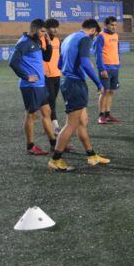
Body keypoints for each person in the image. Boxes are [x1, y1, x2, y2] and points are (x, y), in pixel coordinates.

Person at [49, 19, 109, 171]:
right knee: (71, 124)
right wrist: (99, 83)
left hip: (68, 81)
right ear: (94, 30)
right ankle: (55, 160)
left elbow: (59, 64)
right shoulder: (84, 39)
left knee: (82, 121)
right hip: (75, 84)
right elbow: (84, 62)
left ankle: (91, 155)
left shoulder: (69, 38)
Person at [9, 18, 58, 156]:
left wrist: (48, 42)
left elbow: (47, 57)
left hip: (40, 85)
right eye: (42, 31)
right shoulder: (24, 42)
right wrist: (26, 76)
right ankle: (30, 146)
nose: (44, 34)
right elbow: (13, 62)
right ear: (34, 29)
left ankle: (54, 144)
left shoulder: (36, 41)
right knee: (32, 115)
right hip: (30, 86)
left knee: (47, 112)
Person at [93, 16, 122, 124]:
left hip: (115, 67)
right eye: (112, 25)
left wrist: (118, 61)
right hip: (105, 68)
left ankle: (107, 114)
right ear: (105, 25)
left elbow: (117, 49)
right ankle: (101, 115)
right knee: (104, 91)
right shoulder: (100, 36)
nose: (114, 27)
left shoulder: (116, 35)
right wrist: (101, 69)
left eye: (115, 25)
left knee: (111, 91)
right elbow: (98, 54)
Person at [40, 18, 64, 136]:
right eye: (52, 27)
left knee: (52, 101)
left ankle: (48, 125)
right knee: (51, 103)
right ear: (47, 29)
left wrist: (61, 69)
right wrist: (44, 71)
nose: (55, 29)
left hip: (57, 74)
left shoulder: (58, 41)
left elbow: (59, 56)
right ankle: (55, 126)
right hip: (46, 76)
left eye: (56, 27)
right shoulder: (42, 40)